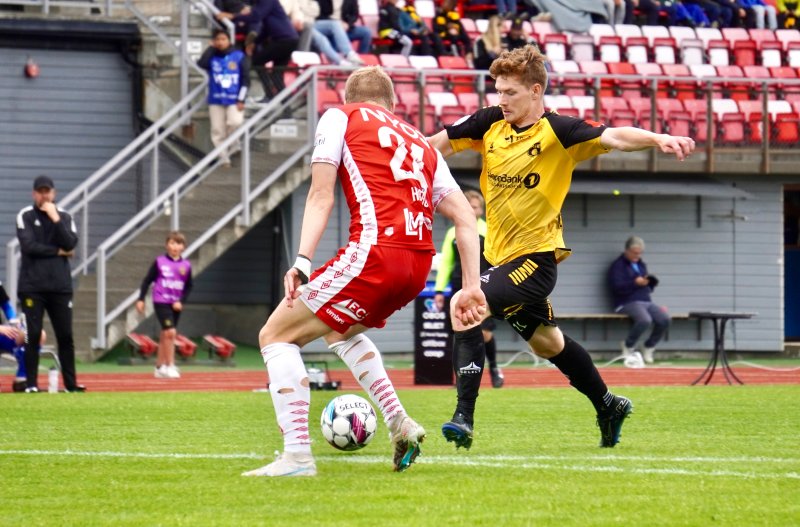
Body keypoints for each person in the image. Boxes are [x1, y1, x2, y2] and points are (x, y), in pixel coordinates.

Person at [427, 45, 695, 450]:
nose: (501, 101)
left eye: (510, 93)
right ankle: (608, 404)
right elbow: (433, 146)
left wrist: (658, 138)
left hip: (536, 260)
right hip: (500, 259)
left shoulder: (560, 131)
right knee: (547, 343)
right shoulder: (488, 124)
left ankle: (463, 417)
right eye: (498, 91)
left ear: (536, 91)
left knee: (468, 304)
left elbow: (616, 136)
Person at [242, 66, 486, 477]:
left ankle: (297, 455)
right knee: (340, 331)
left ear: (351, 96)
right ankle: (400, 422)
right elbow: (464, 217)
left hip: (375, 253)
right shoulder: (420, 142)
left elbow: (321, 194)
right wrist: (471, 287)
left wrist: (302, 260)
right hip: (416, 264)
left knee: (275, 335)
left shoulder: (341, 116)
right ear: (392, 103)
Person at [16, 175, 84, 393]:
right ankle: (32, 384)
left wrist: (55, 219)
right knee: (33, 335)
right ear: (34, 193)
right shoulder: (25, 216)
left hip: (60, 287)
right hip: (32, 287)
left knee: (65, 336)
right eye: (40, 191)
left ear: (54, 194)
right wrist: (57, 252)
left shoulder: (64, 216)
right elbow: (28, 247)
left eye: (48, 191)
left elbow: (71, 243)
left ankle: (71, 384)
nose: (44, 195)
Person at [434, 189, 504, 388]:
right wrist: (440, 290)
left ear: (481, 210)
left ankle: (495, 370)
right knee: (460, 333)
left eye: (475, 207)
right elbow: (446, 263)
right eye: (468, 206)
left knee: (485, 333)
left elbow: (497, 261)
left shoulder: (489, 232)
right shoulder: (451, 232)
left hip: (485, 287)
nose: (471, 210)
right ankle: (460, 376)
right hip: (458, 287)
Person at [135, 231, 194, 379]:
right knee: (171, 333)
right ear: (167, 244)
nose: (175, 246)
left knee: (165, 334)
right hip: (161, 301)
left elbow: (189, 286)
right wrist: (141, 299)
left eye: (178, 243)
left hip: (176, 304)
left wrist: (181, 301)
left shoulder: (186, 265)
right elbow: (146, 280)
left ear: (183, 247)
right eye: (172, 243)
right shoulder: (160, 262)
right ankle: (170, 365)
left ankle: (159, 367)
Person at [608, 236, 670, 365]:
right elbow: (617, 288)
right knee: (645, 319)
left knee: (664, 319)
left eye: (640, 253)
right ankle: (628, 345)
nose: (638, 255)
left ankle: (648, 347)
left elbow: (645, 286)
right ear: (627, 251)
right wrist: (635, 283)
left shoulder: (641, 265)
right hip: (626, 302)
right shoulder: (618, 266)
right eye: (635, 253)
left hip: (645, 300)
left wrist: (649, 283)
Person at [197, 28, 250, 167]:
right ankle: (224, 158)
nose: (220, 42)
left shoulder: (239, 56)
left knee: (235, 122)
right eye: (217, 40)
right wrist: (210, 48)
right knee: (217, 130)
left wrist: (241, 99)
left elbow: (246, 79)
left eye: (223, 39)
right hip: (216, 98)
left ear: (229, 40)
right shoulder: (212, 56)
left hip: (234, 98)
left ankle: (234, 146)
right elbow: (201, 63)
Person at [231, 0, 299, 103]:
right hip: (289, 40)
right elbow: (266, 29)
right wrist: (255, 43)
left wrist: (233, 16)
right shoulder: (263, 5)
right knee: (277, 73)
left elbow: (255, 17)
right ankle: (286, 108)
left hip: (283, 41)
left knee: (258, 62)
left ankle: (270, 95)